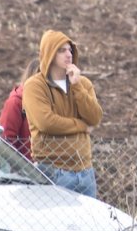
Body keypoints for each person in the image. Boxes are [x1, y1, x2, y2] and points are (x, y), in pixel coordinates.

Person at [22, 30, 103, 198]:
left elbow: (95, 117)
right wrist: (82, 126)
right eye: (61, 50)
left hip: (85, 169)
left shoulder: (83, 83)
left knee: (89, 222)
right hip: (53, 169)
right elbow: (46, 122)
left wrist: (77, 87)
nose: (68, 54)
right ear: (49, 53)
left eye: (70, 50)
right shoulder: (34, 86)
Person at [0, 57, 41, 159]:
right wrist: (21, 167)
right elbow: (6, 139)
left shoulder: (55, 101)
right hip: (27, 169)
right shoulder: (16, 102)